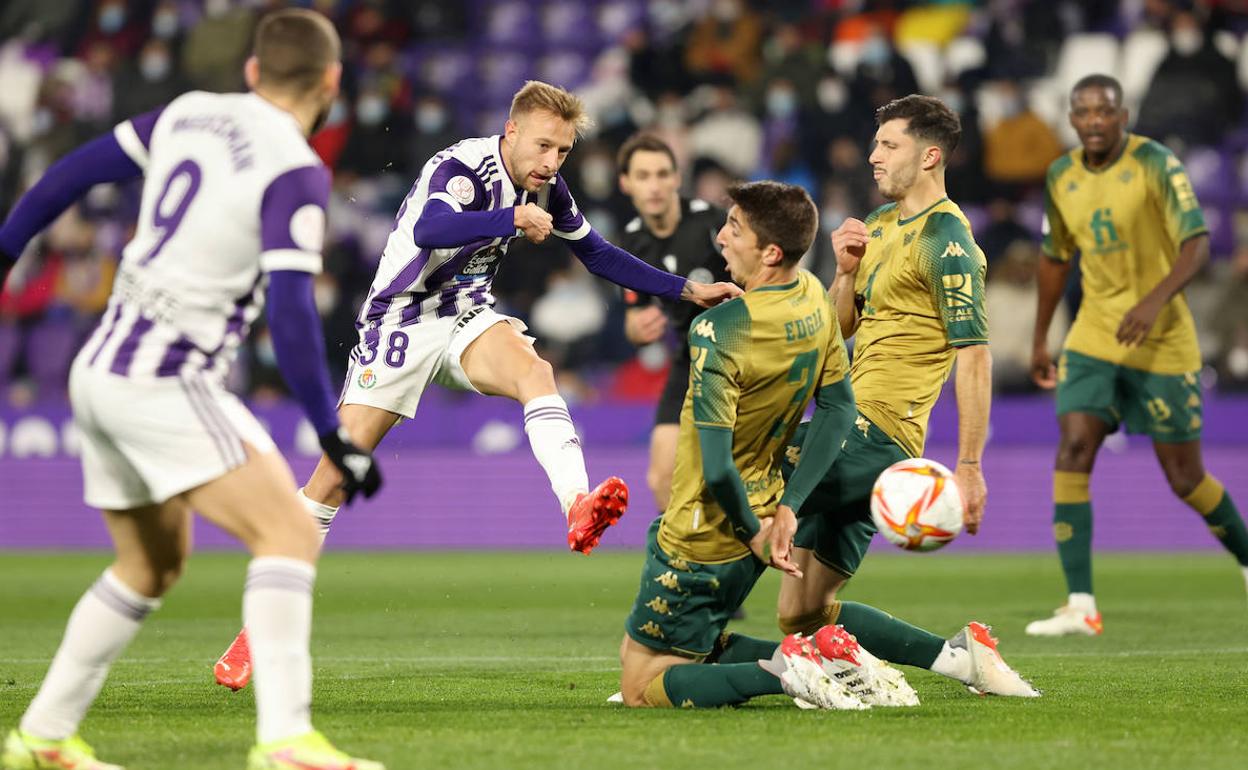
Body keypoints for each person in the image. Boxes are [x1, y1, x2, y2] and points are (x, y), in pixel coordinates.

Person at [212, 80, 741, 691]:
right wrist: (509, 217)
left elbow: (596, 253)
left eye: (563, 152)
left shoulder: (546, 186)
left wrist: (685, 290)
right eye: (543, 146)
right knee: (332, 477)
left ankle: (577, 505)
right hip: (401, 320)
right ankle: (257, 630)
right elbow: (430, 231)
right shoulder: (462, 166)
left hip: (464, 311)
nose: (551, 163)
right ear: (511, 132)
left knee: (535, 372)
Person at [0, 10, 385, 770]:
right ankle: (285, 740)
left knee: (149, 566)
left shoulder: (188, 113)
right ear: (332, 83)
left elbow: (62, 179)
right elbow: (291, 308)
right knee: (289, 533)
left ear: (251, 71)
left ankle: (42, 736)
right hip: (167, 377)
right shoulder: (295, 168)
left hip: (101, 371)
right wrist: (331, 432)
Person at [771, 95, 1037, 697]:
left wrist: (969, 466)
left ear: (930, 156)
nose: (872, 156)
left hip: (874, 431)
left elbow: (973, 354)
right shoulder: (883, 225)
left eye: (889, 145)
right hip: (850, 422)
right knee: (802, 611)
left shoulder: (947, 241)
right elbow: (840, 329)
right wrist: (842, 272)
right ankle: (962, 660)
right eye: (876, 144)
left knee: (750, 503)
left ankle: (673, 660)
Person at [619, 180, 898, 710]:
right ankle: (818, 655)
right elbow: (838, 407)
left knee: (639, 685)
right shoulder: (815, 295)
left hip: (705, 527)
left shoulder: (719, 328)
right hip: (769, 506)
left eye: (734, 229)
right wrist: (788, 510)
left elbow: (718, 467)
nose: (721, 238)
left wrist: (751, 533)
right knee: (677, 646)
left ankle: (791, 672)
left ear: (770, 252)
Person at [1026, 74, 1248, 637]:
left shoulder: (1155, 163)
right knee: (1075, 446)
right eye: (1084, 112)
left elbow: (1196, 242)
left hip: (1163, 338)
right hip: (1095, 335)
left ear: (1123, 115)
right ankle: (1080, 604)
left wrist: (1153, 302)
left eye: (1105, 111)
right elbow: (1055, 260)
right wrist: (1040, 337)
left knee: (1185, 477)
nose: (1095, 120)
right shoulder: (1061, 175)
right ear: (1072, 120)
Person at [615, 132, 731, 514]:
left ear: (677, 178)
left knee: (735, 473)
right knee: (661, 479)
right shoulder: (630, 245)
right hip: (690, 357)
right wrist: (639, 327)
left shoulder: (714, 223)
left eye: (663, 174)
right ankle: (684, 566)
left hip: (741, 352)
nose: (655, 186)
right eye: (643, 175)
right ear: (625, 183)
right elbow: (632, 319)